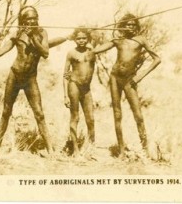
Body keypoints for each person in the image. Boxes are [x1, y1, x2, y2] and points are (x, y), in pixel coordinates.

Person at [0, 6, 53, 156]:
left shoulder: (42, 33)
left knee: (39, 114)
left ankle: (51, 150)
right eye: (28, 19)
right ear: (23, 21)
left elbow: (45, 53)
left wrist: (34, 38)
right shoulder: (17, 34)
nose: (32, 21)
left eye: (34, 18)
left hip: (30, 79)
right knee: (6, 111)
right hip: (15, 76)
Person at [92, 14, 161, 158]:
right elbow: (96, 50)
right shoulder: (118, 40)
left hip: (130, 79)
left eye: (132, 25)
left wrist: (140, 76)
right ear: (122, 26)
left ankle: (145, 150)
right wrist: (90, 34)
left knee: (139, 116)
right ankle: (122, 151)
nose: (130, 27)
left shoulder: (141, 40)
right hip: (115, 77)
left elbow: (157, 59)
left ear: (136, 26)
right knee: (117, 115)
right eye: (127, 24)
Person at [62, 28, 96, 156]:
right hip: (74, 86)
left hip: (86, 88)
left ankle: (91, 147)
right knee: (75, 117)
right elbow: (65, 75)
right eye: (78, 38)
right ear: (74, 39)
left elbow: (96, 48)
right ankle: (75, 149)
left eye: (84, 38)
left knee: (91, 118)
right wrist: (65, 95)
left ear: (88, 39)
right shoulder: (71, 53)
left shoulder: (92, 52)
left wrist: (91, 42)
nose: (81, 40)